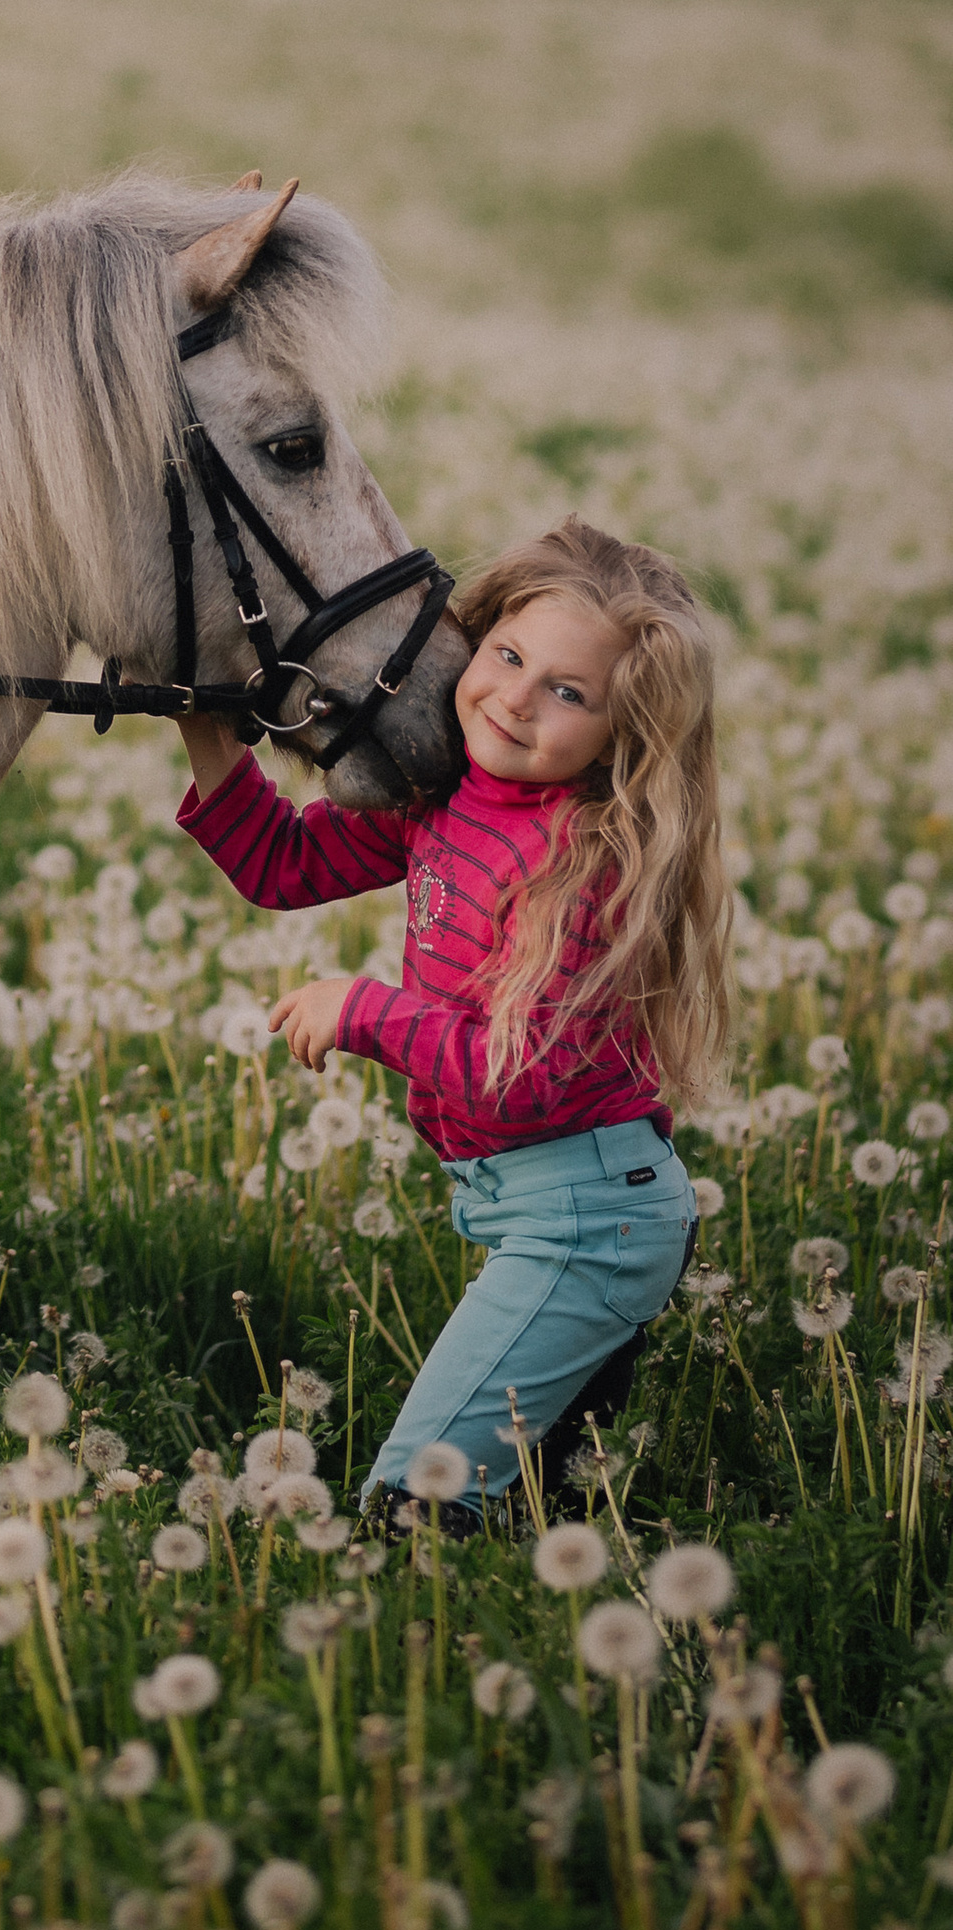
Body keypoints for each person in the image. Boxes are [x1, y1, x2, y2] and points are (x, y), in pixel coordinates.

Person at [175, 514, 731, 1522]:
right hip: (538, 1206)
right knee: (544, 1507)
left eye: (567, 692)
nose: (515, 698)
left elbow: (515, 1076)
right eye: (506, 655)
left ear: (625, 733)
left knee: (418, 1498)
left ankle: (406, 1643)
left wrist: (364, 1011)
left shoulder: (584, 866)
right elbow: (282, 865)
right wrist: (203, 730)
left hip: (586, 1224)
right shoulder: (449, 794)